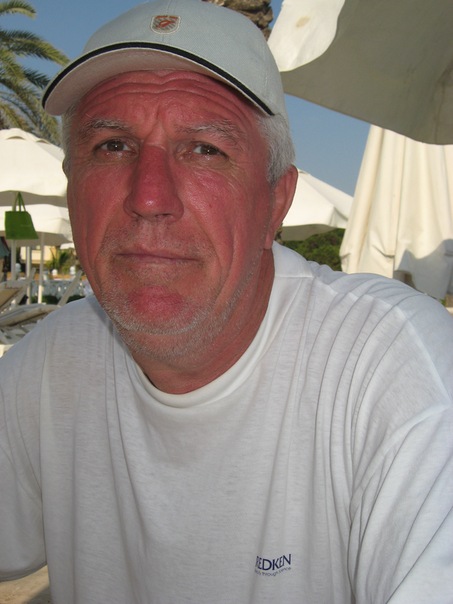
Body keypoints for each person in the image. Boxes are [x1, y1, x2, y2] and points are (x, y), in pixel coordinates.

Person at [0, 1, 452, 602]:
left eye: (204, 150)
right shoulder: (52, 362)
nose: (149, 198)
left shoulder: (390, 365)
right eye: (112, 146)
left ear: (275, 202)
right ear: (71, 185)